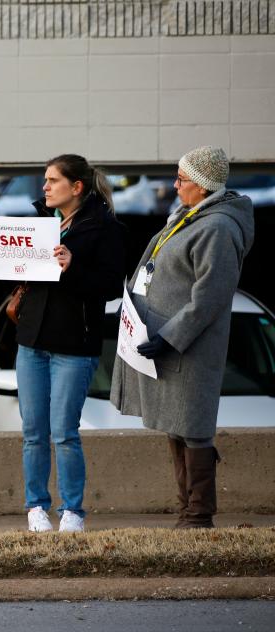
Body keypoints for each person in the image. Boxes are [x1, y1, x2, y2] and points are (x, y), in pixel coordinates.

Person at [0, 155, 127, 533]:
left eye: (53, 180)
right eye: (44, 180)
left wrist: (73, 266)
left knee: (64, 433)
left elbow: (108, 288)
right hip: (32, 342)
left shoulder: (107, 229)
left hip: (75, 344)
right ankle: (36, 507)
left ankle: (72, 510)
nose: (44, 187)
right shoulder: (40, 224)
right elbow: (14, 272)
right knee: (33, 433)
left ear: (77, 187)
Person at [111, 146, 254, 529]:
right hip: (168, 342)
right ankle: (185, 508)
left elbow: (209, 298)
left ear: (204, 187)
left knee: (194, 428)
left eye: (182, 180)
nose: (175, 186)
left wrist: (170, 338)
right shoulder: (191, 218)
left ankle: (198, 514)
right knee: (177, 426)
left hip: (190, 347)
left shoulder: (219, 228)